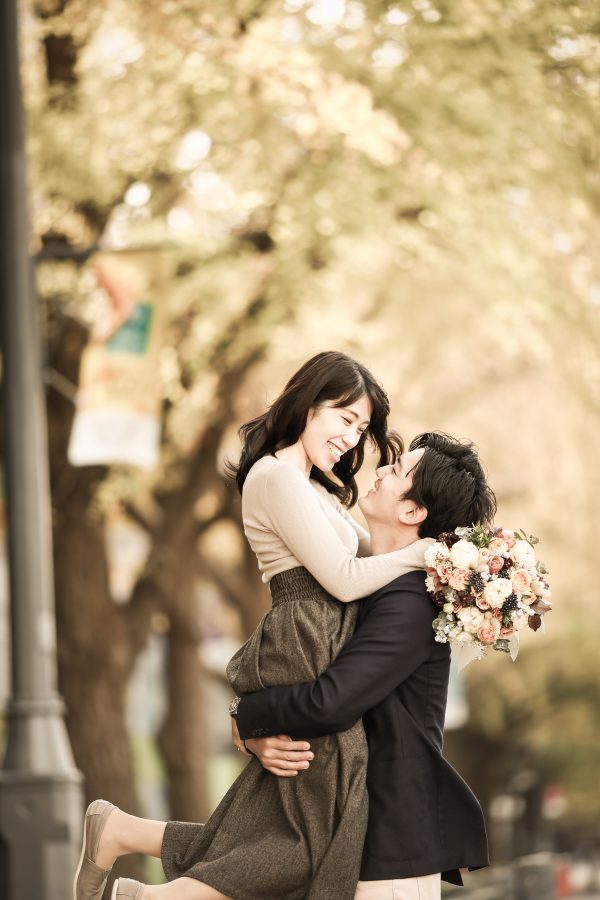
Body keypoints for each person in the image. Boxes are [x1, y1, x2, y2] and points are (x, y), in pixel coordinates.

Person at [74, 352, 433, 900]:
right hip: (303, 636)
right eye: (345, 419)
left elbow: (372, 555)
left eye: (361, 428)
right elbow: (344, 578)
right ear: (309, 405)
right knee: (318, 832)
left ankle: (123, 838)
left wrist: (461, 562)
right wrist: (425, 555)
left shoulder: (314, 487)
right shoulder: (274, 476)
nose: (351, 438)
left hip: (324, 638)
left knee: (282, 824)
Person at [231, 433, 495, 899]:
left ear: (412, 511)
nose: (380, 470)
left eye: (397, 470)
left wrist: (248, 715)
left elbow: (331, 701)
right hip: (349, 829)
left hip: (393, 845)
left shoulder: (410, 601)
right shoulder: (369, 583)